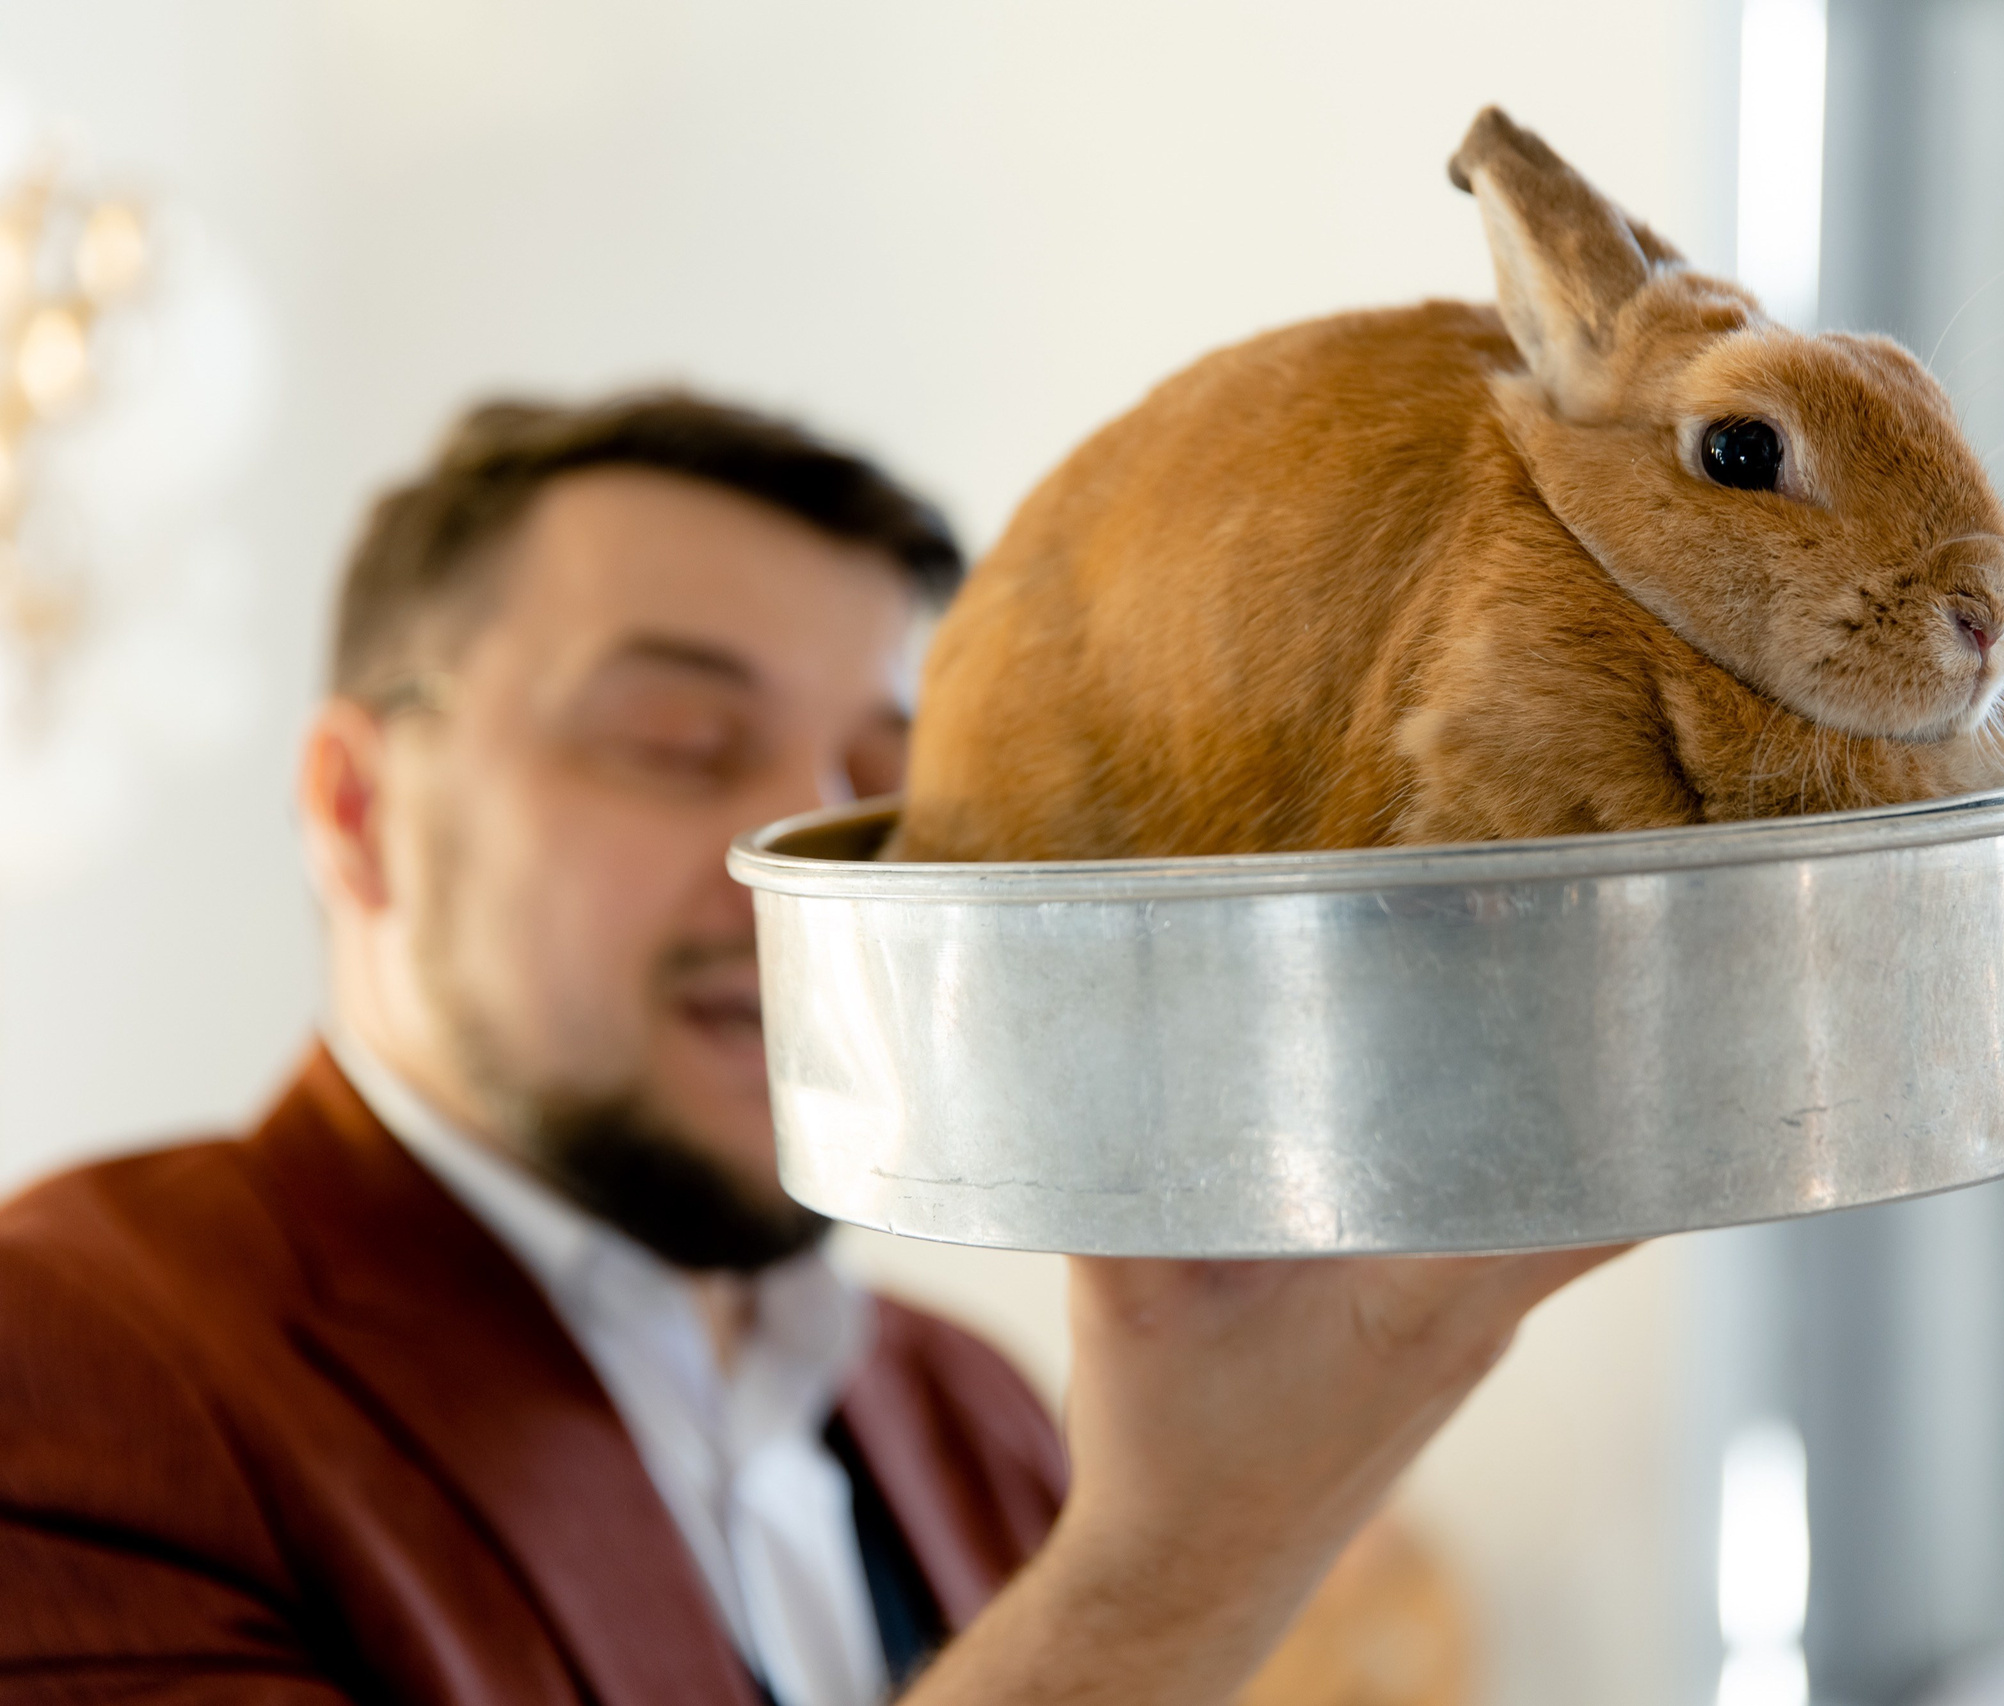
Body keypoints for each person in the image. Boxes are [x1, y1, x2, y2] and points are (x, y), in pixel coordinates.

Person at [0, 392, 1615, 1705]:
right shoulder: (68, 1364)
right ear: (359, 812)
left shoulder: (970, 1410)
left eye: (880, 779)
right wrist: (1183, 1564)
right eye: (680, 743)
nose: (812, 857)